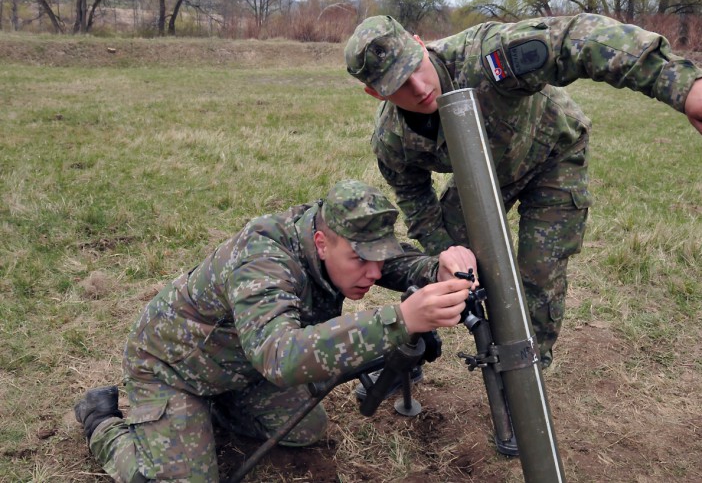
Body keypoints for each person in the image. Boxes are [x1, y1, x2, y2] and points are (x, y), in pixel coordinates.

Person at [344, 14, 702, 367]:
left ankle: (525, 377)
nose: (418, 86)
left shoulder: (485, 56)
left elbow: (577, 39)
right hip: (483, 179)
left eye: (417, 66)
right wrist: (447, 255)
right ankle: (409, 350)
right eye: (399, 83)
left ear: (419, 43)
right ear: (375, 93)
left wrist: (679, 81)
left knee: (539, 274)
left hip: (554, 153)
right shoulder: (392, 139)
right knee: (437, 269)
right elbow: (417, 203)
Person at [74, 179, 477, 482]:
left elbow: (385, 260)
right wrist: (400, 319)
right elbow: (278, 356)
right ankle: (102, 423)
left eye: (378, 258)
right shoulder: (264, 259)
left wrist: (434, 269)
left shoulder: (338, 237)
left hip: (241, 366)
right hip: (172, 368)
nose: (374, 273)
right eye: (360, 261)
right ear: (321, 242)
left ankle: (215, 409)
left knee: (307, 429)